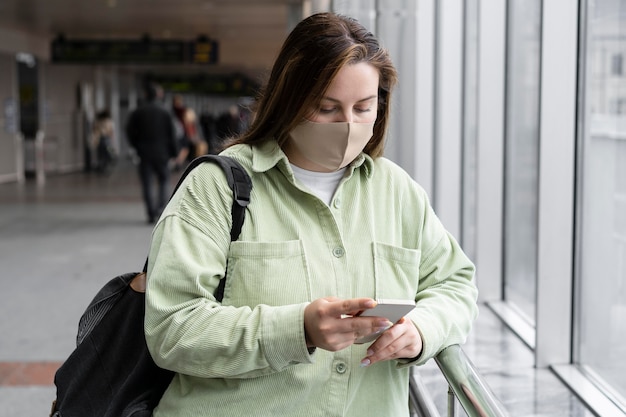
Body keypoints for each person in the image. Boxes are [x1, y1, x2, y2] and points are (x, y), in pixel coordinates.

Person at [144, 12, 478, 417]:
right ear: (289, 100)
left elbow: (455, 284)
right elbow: (171, 328)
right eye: (327, 108)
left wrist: (423, 329)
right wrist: (297, 329)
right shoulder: (217, 188)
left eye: (363, 107)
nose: (348, 125)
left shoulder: (397, 191)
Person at [125, 83, 179, 224]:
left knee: (147, 182)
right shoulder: (165, 112)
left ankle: (150, 213)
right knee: (164, 180)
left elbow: (130, 132)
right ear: (158, 95)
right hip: (162, 153)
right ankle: (161, 210)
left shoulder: (138, 112)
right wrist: (175, 152)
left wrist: (136, 146)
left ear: (146, 94)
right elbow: (172, 134)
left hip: (144, 153)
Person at [91, 109, 117, 175]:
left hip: (100, 139)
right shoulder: (108, 121)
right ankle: (104, 167)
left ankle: (102, 167)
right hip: (106, 139)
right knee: (108, 154)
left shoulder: (98, 122)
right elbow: (111, 132)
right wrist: (112, 140)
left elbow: (95, 131)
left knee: (101, 155)